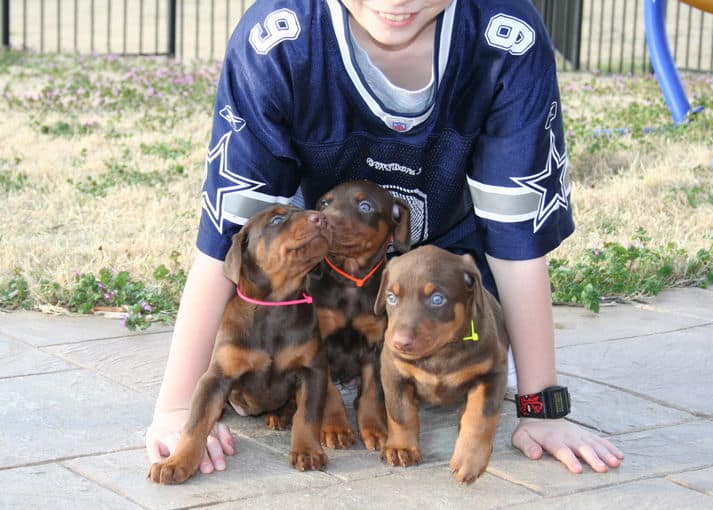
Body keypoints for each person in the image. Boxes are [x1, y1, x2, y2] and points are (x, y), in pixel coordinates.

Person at [146, 0, 624, 476]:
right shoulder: (278, 40)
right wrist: (175, 410)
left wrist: (541, 406)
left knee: (467, 340)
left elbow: (517, 244)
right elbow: (229, 242)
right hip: (317, 284)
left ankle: (477, 355)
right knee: (270, 329)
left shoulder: (505, 38)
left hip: (449, 272)